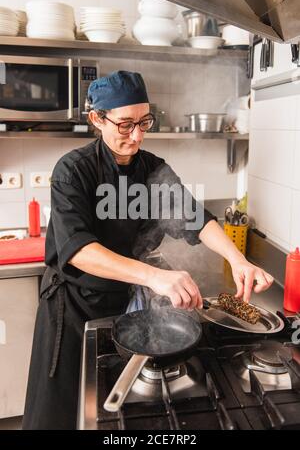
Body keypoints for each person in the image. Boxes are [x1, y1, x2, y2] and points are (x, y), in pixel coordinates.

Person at [22, 71, 274, 430]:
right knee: (61, 410)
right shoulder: (73, 171)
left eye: (144, 122)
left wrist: (238, 259)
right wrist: (155, 276)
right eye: (125, 125)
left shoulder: (154, 169)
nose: (137, 135)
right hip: (74, 307)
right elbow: (78, 250)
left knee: (119, 412)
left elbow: (196, 218)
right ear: (97, 118)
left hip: (126, 304)